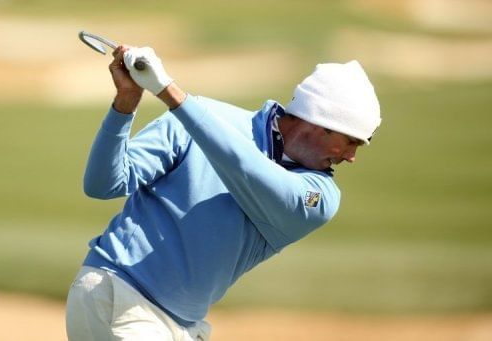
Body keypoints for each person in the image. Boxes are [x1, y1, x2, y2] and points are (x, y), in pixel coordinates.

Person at [65, 44, 381, 341]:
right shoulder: (199, 116)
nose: (351, 157)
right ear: (319, 121)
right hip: (120, 293)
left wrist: (171, 94)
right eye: (351, 141)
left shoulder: (320, 197)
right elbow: (104, 184)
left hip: (184, 325)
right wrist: (125, 105)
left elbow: (248, 171)